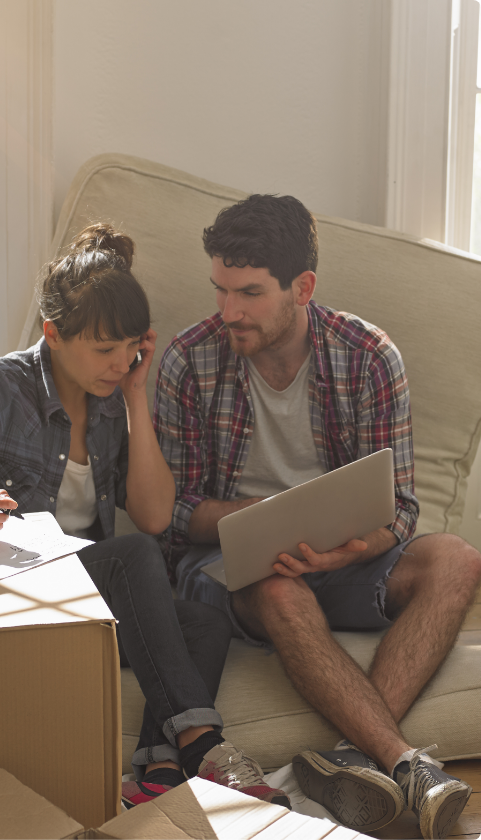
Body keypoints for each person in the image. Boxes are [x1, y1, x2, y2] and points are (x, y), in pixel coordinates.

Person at [0, 223, 291, 810]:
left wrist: (135, 395)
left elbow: (154, 514)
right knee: (134, 555)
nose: (119, 361)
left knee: (204, 621)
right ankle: (201, 742)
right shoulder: (5, 387)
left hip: (78, 601)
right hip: (13, 598)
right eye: (104, 349)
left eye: (131, 345)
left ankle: (155, 774)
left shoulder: (113, 400)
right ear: (53, 334)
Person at [154, 195, 481, 839]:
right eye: (220, 290)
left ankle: (348, 761)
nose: (229, 312)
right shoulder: (189, 360)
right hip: (233, 568)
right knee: (277, 583)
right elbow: (171, 517)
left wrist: (353, 550)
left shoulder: (368, 357)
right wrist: (255, 518)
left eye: (249, 292)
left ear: (302, 288)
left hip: (342, 561)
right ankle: (405, 763)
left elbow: (403, 512)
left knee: (458, 557)